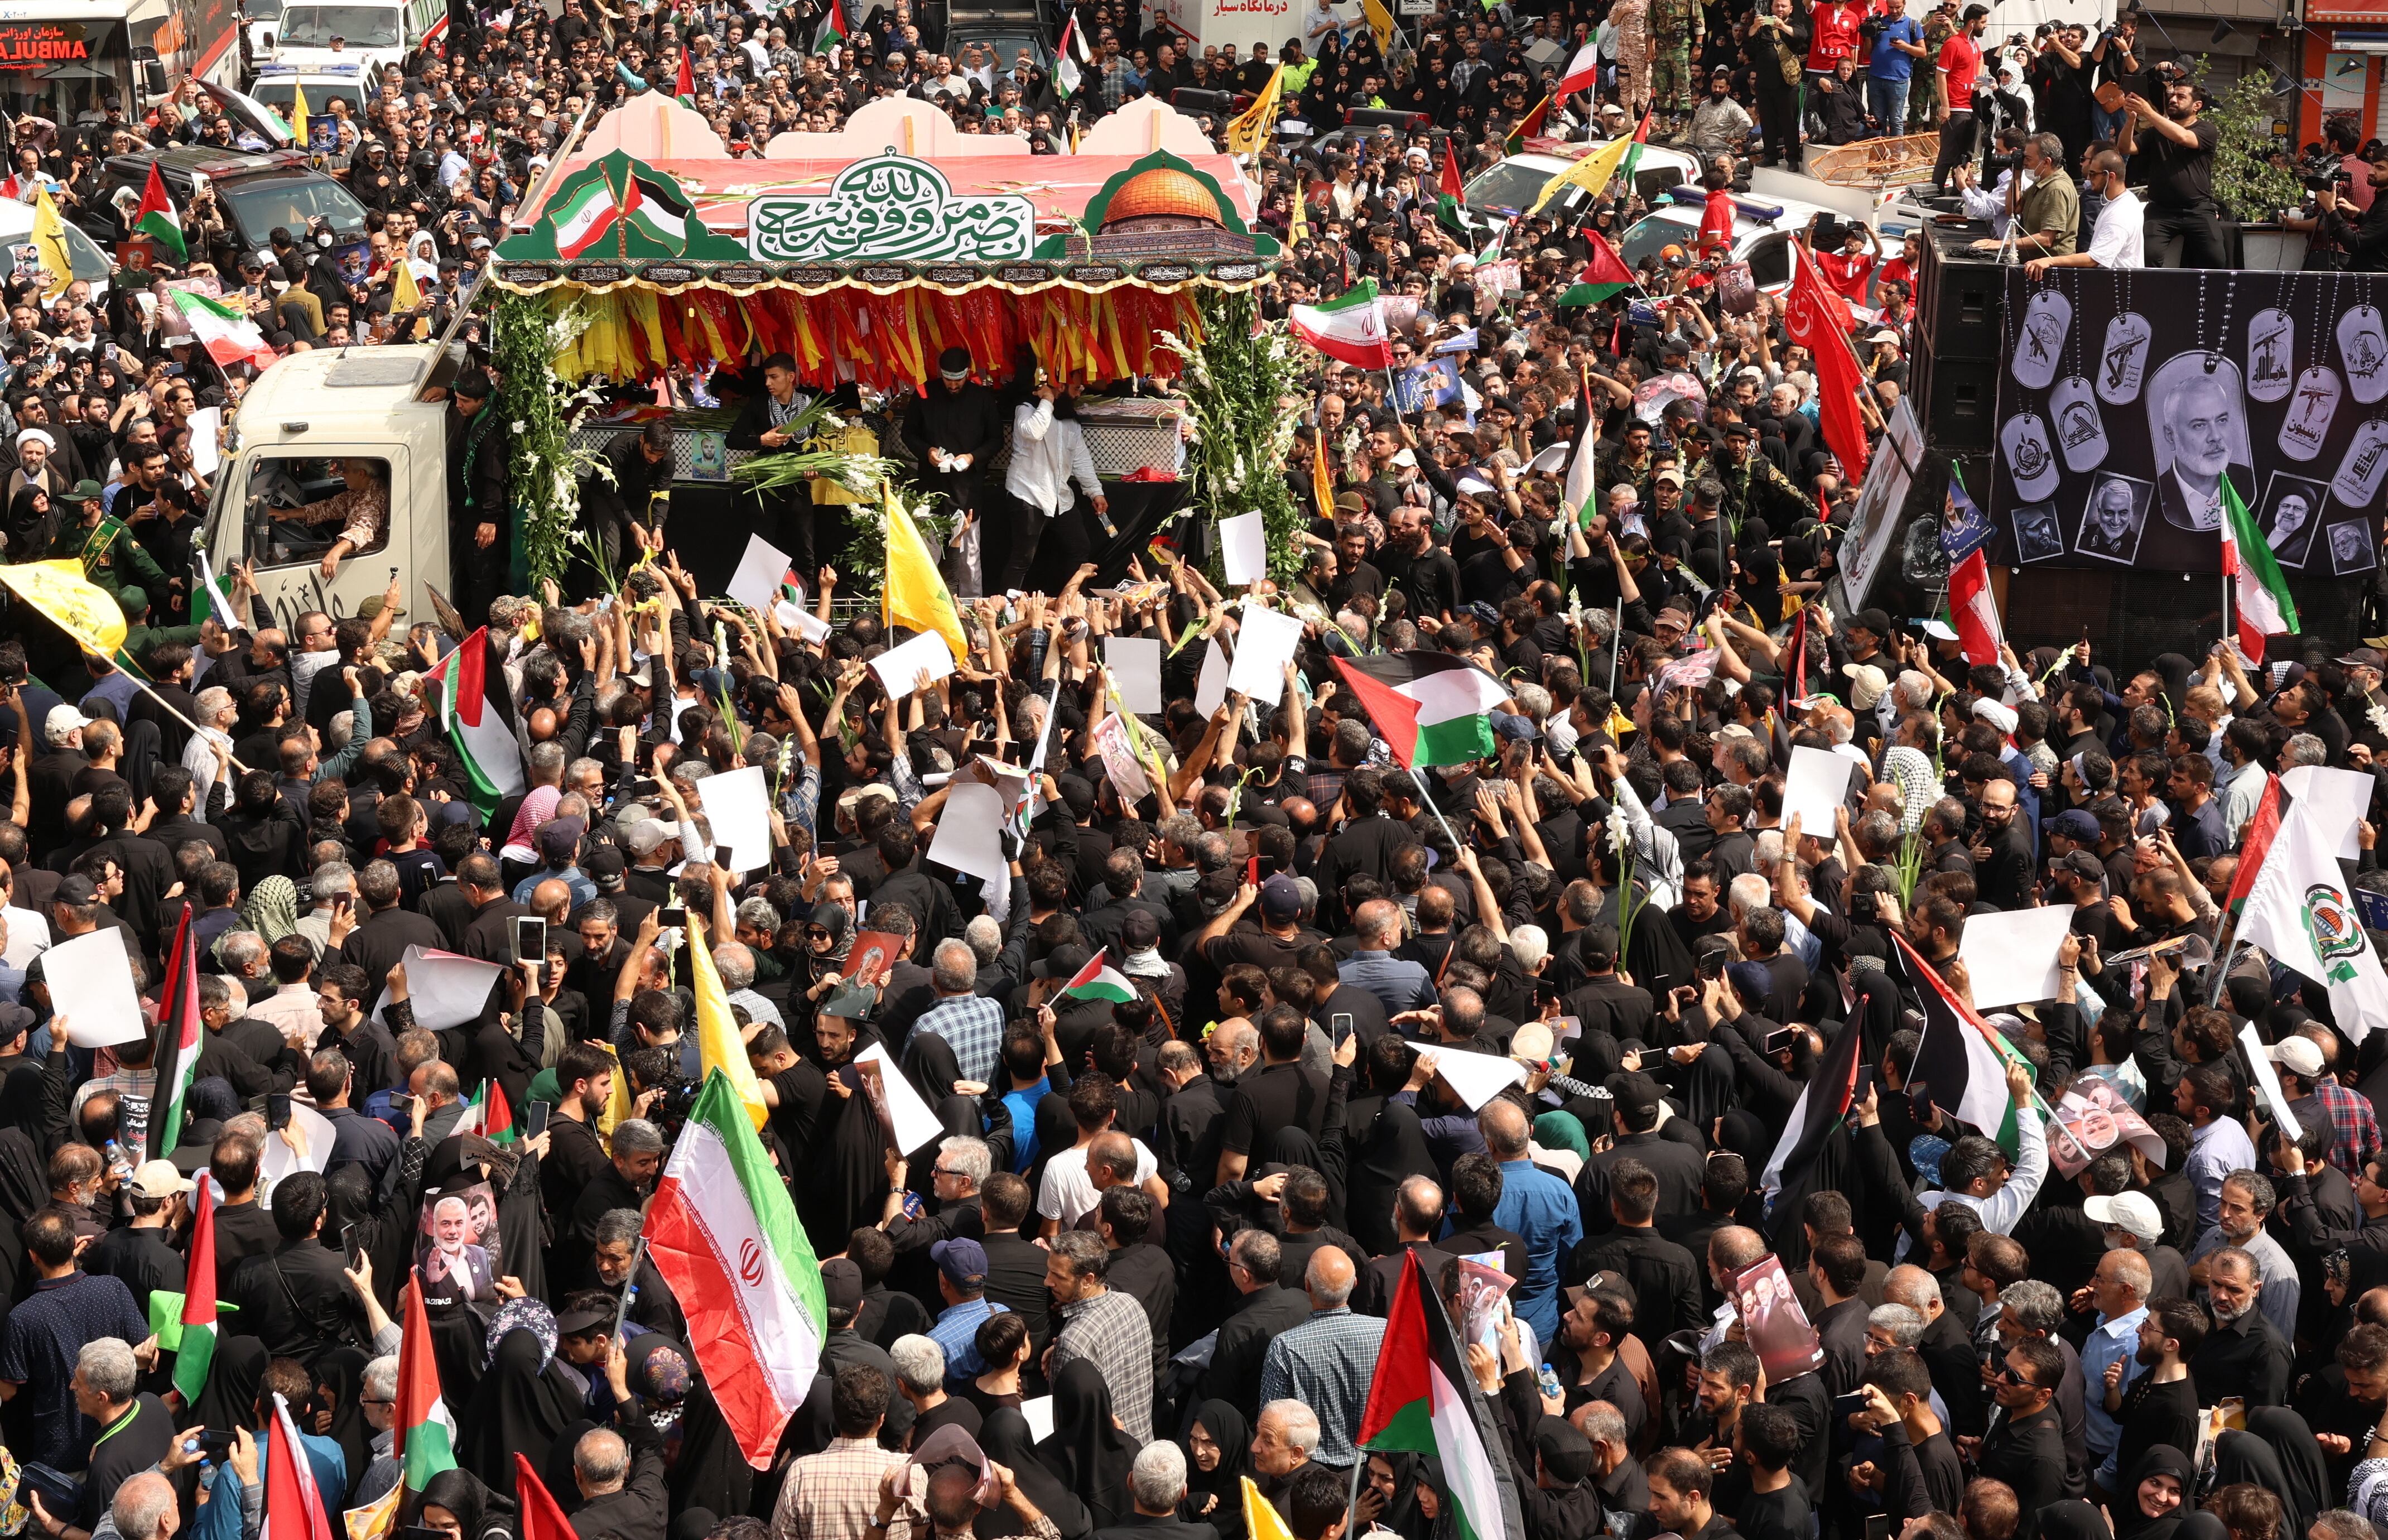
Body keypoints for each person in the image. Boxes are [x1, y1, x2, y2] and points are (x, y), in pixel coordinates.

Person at [2120, 75, 2223, 268]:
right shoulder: (2156, 131)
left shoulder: (2207, 129)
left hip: (2198, 210)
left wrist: (2149, 113)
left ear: (2197, 106)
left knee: (2216, 262)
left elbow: (2184, 138)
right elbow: (2126, 148)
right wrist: (2130, 121)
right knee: (2147, 259)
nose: (2173, 100)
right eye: (2172, 95)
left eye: (2181, 96)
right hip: (2160, 212)